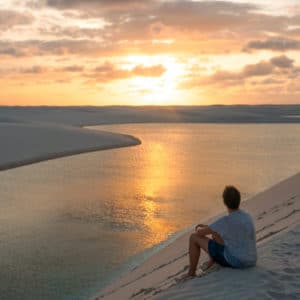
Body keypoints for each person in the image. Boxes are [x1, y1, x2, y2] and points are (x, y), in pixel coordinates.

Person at [186, 186, 257, 277]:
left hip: (236, 262)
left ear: (224, 202)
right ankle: (212, 261)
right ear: (239, 199)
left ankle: (191, 273)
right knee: (215, 233)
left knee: (193, 237)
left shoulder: (225, 220)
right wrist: (210, 229)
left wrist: (204, 229)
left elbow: (199, 233)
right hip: (251, 260)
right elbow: (222, 230)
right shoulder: (247, 215)